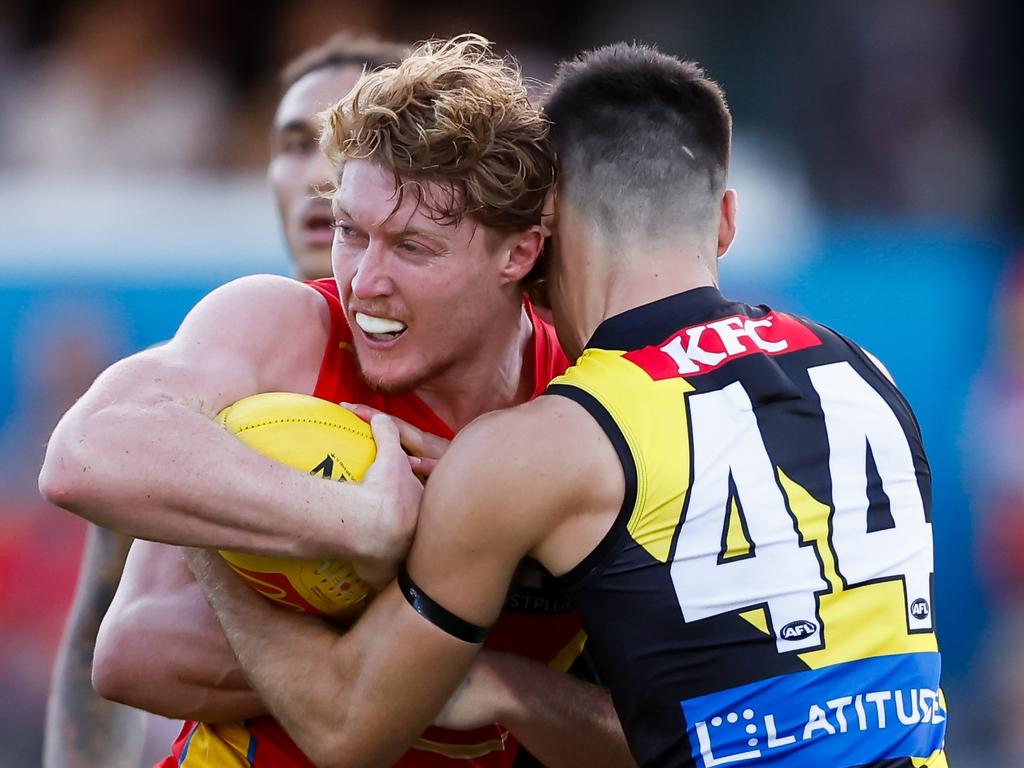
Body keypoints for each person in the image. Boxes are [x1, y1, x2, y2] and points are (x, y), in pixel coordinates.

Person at [179, 42, 948, 768]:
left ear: (541, 230)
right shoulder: (867, 374)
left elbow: (347, 729)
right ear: (725, 221)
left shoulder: (550, 439)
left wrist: (210, 537)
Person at [40, 35, 632, 768]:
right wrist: (352, 523)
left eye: (412, 248)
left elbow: (666, 731)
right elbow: (85, 473)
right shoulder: (285, 328)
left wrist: (496, 678)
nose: (364, 282)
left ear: (517, 253)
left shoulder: (589, 387)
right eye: (351, 232)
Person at [41, 30, 407, 768]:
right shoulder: (166, 402)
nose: (316, 172)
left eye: (347, 139)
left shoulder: (498, 371)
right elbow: (105, 654)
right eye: (294, 143)